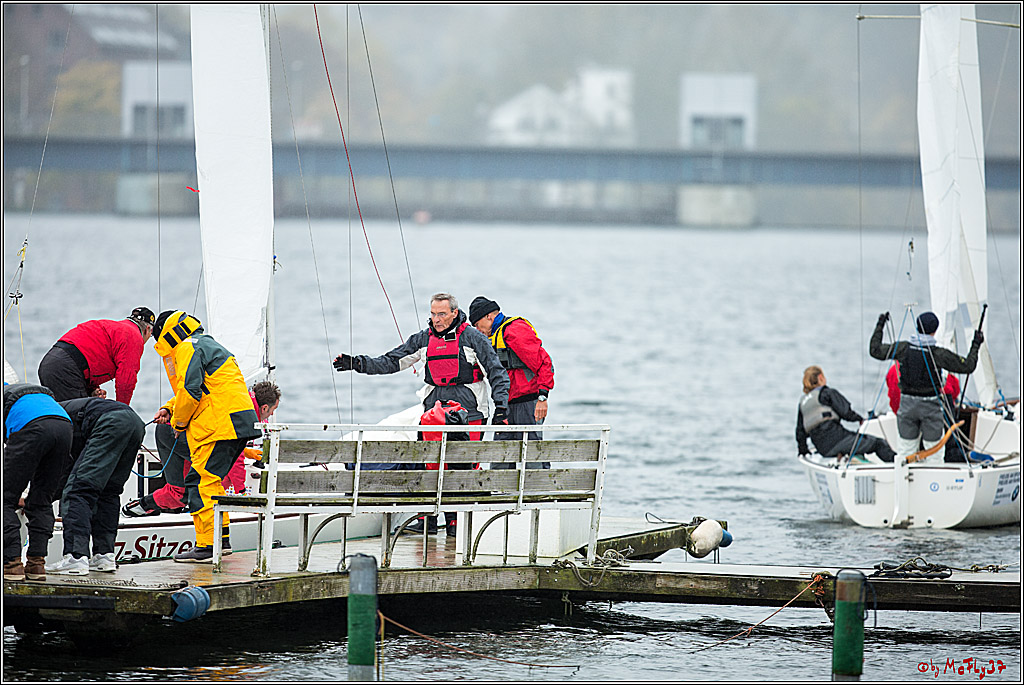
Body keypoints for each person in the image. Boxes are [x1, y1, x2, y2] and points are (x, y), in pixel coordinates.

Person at [334, 292, 510, 535]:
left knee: (461, 467)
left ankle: (455, 523)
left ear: (454, 314)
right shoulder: (423, 339)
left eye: (441, 314)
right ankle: (427, 517)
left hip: (470, 413)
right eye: (433, 314)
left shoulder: (472, 338)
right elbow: (392, 361)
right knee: (430, 464)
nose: (436, 319)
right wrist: (358, 363)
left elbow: (496, 372)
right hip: (434, 413)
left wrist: (501, 407)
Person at [150, 310, 261, 563]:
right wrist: (170, 407)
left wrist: (178, 423)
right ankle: (220, 542)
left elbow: (190, 391)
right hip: (240, 422)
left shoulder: (187, 347)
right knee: (210, 483)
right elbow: (206, 387)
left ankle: (207, 546)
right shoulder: (209, 344)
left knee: (199, 483)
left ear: (167, 335)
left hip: (219, 425)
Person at [122, 381, 281, 528]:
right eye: (273, 411)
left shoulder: (239, 397)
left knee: (179, 491)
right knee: (210, 476)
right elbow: (233, 457)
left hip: (172, 429)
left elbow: (224, 442)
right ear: (265, 407)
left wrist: (245, 451)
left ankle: (138, 507)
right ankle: (194, 513)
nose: (270, 416)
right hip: (176, 433)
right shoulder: (244, 412)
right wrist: (242, 497)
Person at [44, 398, 145, 575]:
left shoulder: (48, 423)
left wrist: (39, 498)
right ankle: (104, 556)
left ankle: (75, 557)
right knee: (108, 492)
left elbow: (66, 471)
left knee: (77, 491)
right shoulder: (53, 413)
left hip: (108, 422)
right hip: (134, 422)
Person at [870, 311, 982, 462]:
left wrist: (880, 324)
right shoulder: (938, 354)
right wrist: (976, 344)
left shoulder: (903, 349)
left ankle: (904, 481)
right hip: (930, 408)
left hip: (907, 408)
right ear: (935, 330)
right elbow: (968, 366)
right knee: (934, 453)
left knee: (905, 453)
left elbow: (875, 350)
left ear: (917, 327)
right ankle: (934, 485)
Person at [469, 296, 554, 468]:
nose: (478, 330)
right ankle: (503, 493)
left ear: (489, 317)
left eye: (478, 325)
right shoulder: (490, 337)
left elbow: (545, 363)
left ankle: (537, 493)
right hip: (505, 407)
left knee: (533, 457)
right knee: (500, 458)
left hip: (528, 404)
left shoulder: (515, 330)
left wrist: (543, 398)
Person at [3, 383, 73, 582]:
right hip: (64, 427)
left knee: (4, 499)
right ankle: (36, 564)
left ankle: (12, 564)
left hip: (31, 427)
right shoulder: (23, 390)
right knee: (41, 499)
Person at [37, 307, 155, 404]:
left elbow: (87, 353)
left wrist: (92, 390)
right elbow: (126, 381)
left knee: (62, 417)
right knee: (79, 423)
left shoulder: (113, 326)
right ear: (147, 330)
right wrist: (123, 410)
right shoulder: (134, 336)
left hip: (50, 362)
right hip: (67, 369)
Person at [796, 365, 896, 463]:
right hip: (837, 441)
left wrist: (803, 451)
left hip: (824, 450)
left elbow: (800, 433)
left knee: (853, 439)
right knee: (877, 443)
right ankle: (899, 465)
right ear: (820, 377)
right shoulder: (827, 393)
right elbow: (846, 413)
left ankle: (852, 458)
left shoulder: (803, 403)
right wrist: (860, 420)